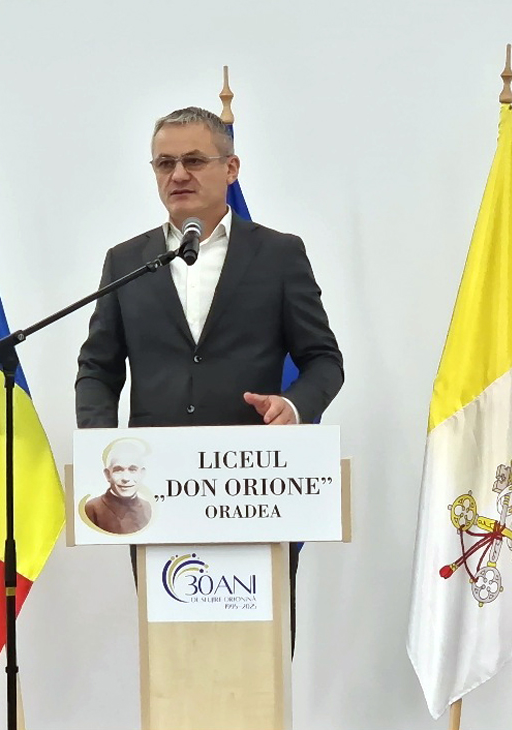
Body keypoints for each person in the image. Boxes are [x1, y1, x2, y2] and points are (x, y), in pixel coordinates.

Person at [75, 106, 343, 650]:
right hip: (157, 493)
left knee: (255, 655)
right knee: (175, 658)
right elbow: (97, 369)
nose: (178, 174)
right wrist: (101, 441)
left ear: (231, 168)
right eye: (164, 163)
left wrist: (293, 406)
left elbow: (323, 360)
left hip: (251, 487)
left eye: (194, 160)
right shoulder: (126, 262)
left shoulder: (278, 254)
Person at [85, 438, 153, 535]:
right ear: (108, 474)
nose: (126, 478)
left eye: (132, 470)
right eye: (118, 470)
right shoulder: (91, 509)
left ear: (141, 474)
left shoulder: (148, 508)